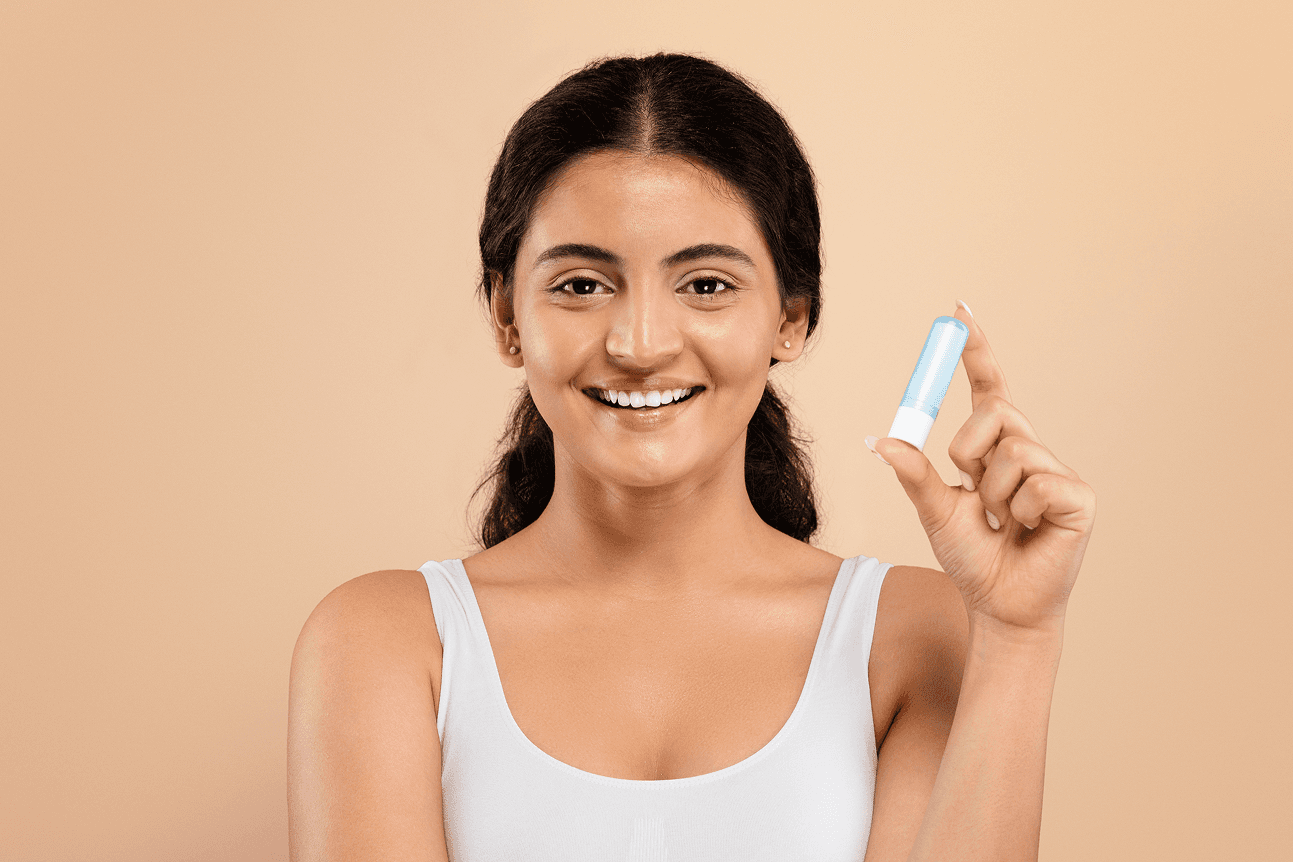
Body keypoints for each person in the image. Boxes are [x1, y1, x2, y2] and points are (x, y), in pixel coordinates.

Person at [287, 53, 1096, 861]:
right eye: (581, 285)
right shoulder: (385, 643)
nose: (640, 344)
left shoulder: (913, 634)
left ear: (792, 317)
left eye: (706, 285)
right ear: (507, 315)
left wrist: (1019, 635)